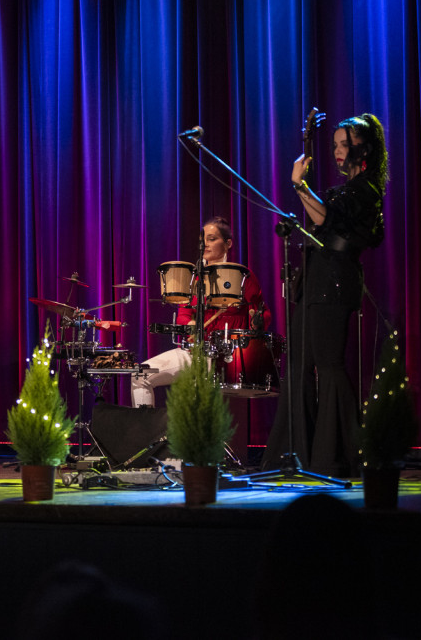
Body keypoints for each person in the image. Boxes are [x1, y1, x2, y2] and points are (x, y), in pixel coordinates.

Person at [263, 113, 387, 478]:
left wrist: (299, 186)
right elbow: (321, 215)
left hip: (334, 283)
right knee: (299, 366)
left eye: (344, 144)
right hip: (315, 280)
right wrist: (304, 189)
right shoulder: (344, 190)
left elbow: (324, 217)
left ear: (364, 148)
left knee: (329, 365)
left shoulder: (365, 190)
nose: (337, 151)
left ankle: (337, 456)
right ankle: (294, 455)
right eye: (334, 145)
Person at [132, 217, 272, 409]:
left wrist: (257, 321)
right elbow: (184, 314)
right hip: (194, 351)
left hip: (224, 356)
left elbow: (263, 314)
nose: (205, 244)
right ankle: (146, 429)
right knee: (139, 375)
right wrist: (189, 324)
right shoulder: (195, 277)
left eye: (212, 239)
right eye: (203, 239)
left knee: (195, 393)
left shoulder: (242, 276)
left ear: (228, 243)